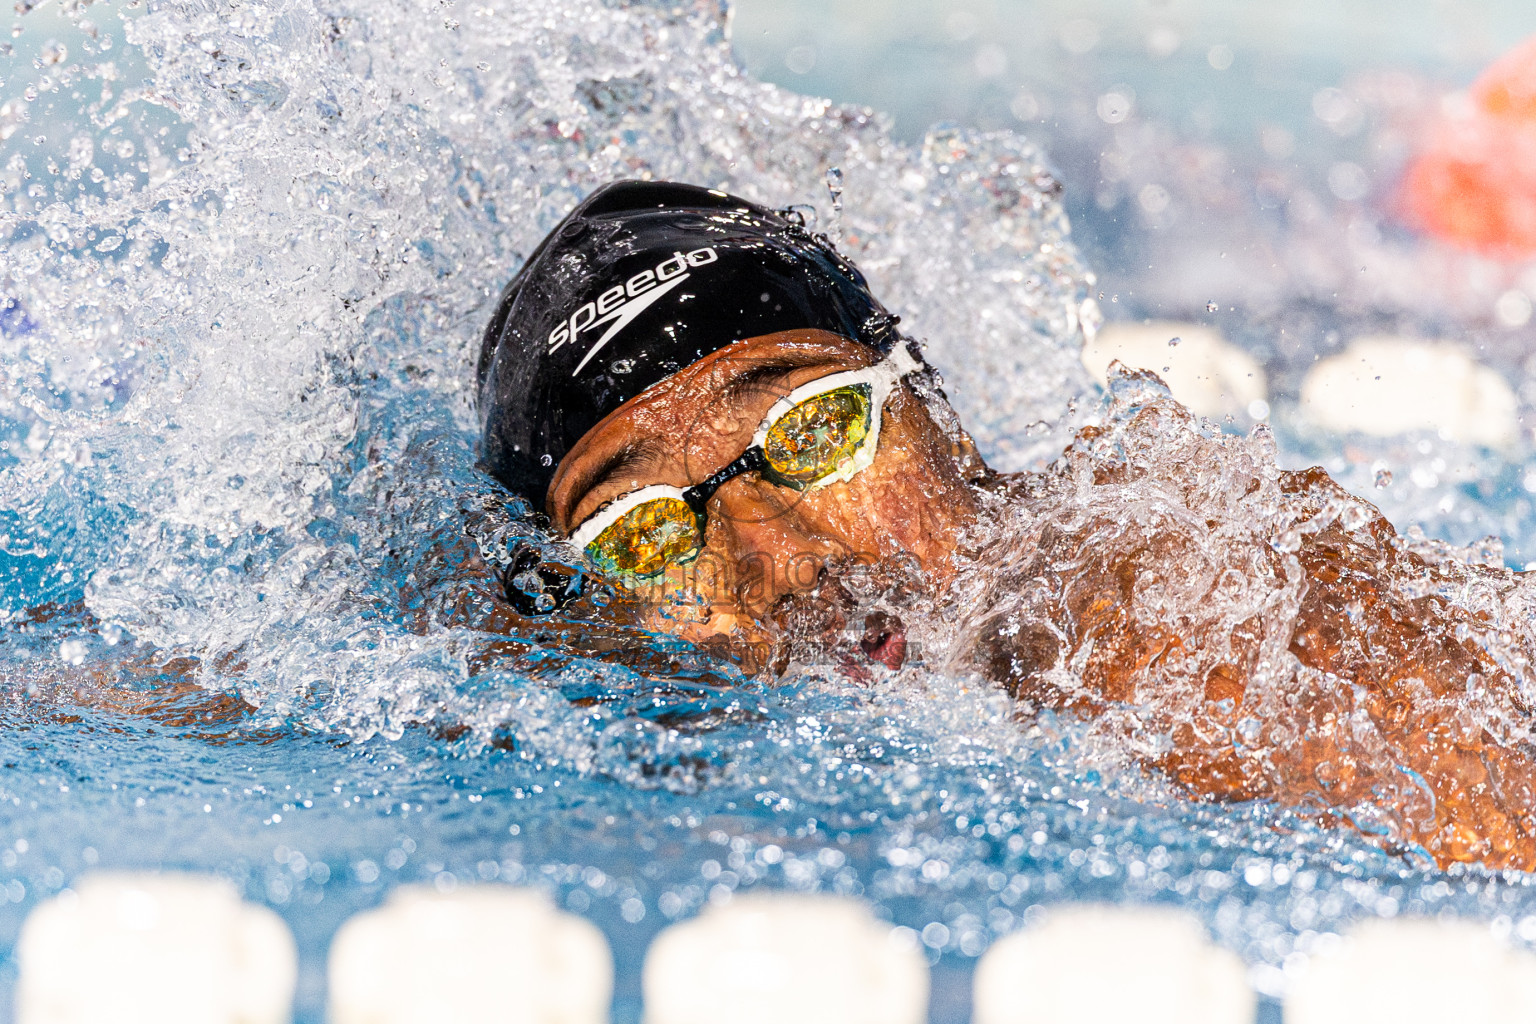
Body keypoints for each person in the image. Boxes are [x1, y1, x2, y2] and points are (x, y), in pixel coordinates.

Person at [479, 180, 1536, 871]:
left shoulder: (1142, 591)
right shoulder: (624, 686)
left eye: (813, 428)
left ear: (935, 409)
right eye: (645, 530)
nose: (779, 555)